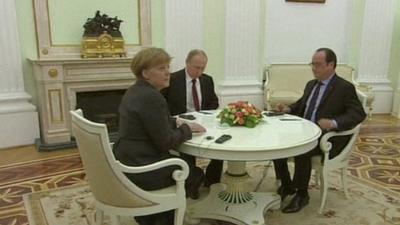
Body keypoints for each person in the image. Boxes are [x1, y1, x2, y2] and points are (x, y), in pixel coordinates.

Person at [113, 47, 206, 225]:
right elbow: (166, 142)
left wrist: (175, 123)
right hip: (143, 166)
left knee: (187, 167)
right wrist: (187, 129)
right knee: (193, 173)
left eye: (168, 67)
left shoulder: (135, 91)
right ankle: (162, 217)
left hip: (127, 158)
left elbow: (151, 122)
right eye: (161, 68)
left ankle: (149, 215)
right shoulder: (151, 97)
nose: (167, 72)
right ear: (146, 73)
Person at [273, 48, 366, 213]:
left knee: (302, 149)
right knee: (277, 142)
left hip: (328, 138)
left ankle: (302, 195)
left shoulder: (344, 87)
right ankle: (287, 186)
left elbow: (358, 113)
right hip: (305, 130)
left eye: (318, 64)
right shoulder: (311, 84)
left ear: (331, 65)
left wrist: (334, 123)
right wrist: (288, 108)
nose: (313, 68)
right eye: (312, 64)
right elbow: (302, 105)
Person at [162, 49, 223, 195]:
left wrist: (205, 117)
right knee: (187, 150)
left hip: (204, 122)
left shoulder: (207, 80)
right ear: (187, 63)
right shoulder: (173, 79)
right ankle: (191, 185)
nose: (199, 71)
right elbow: (163, 105)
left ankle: (212, 180)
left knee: (221, 146)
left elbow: (213, 102)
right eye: (196, 67)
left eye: (203, 68)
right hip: (181, 123)